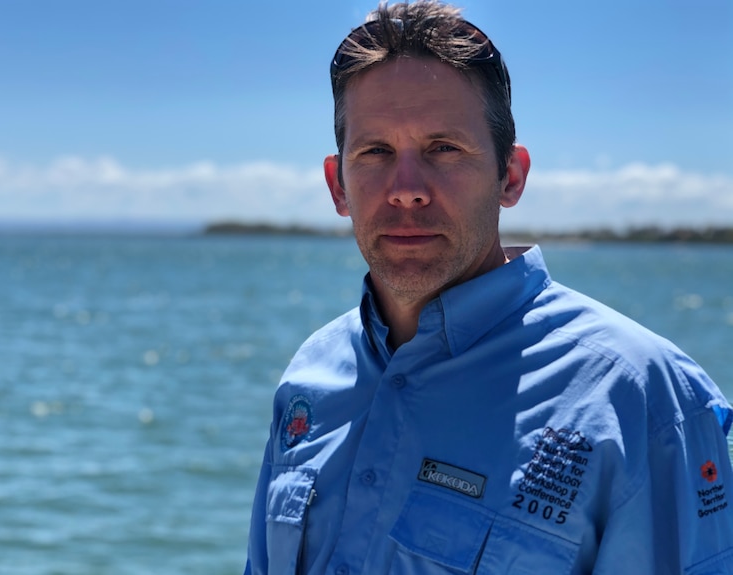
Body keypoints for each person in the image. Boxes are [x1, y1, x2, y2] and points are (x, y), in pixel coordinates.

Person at [244, 2, 733, 573]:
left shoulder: (643, 400)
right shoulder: (309, 380)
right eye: (375, 152)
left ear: (510, 175)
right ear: (338, 186)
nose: (406, 190)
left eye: (443, 149)